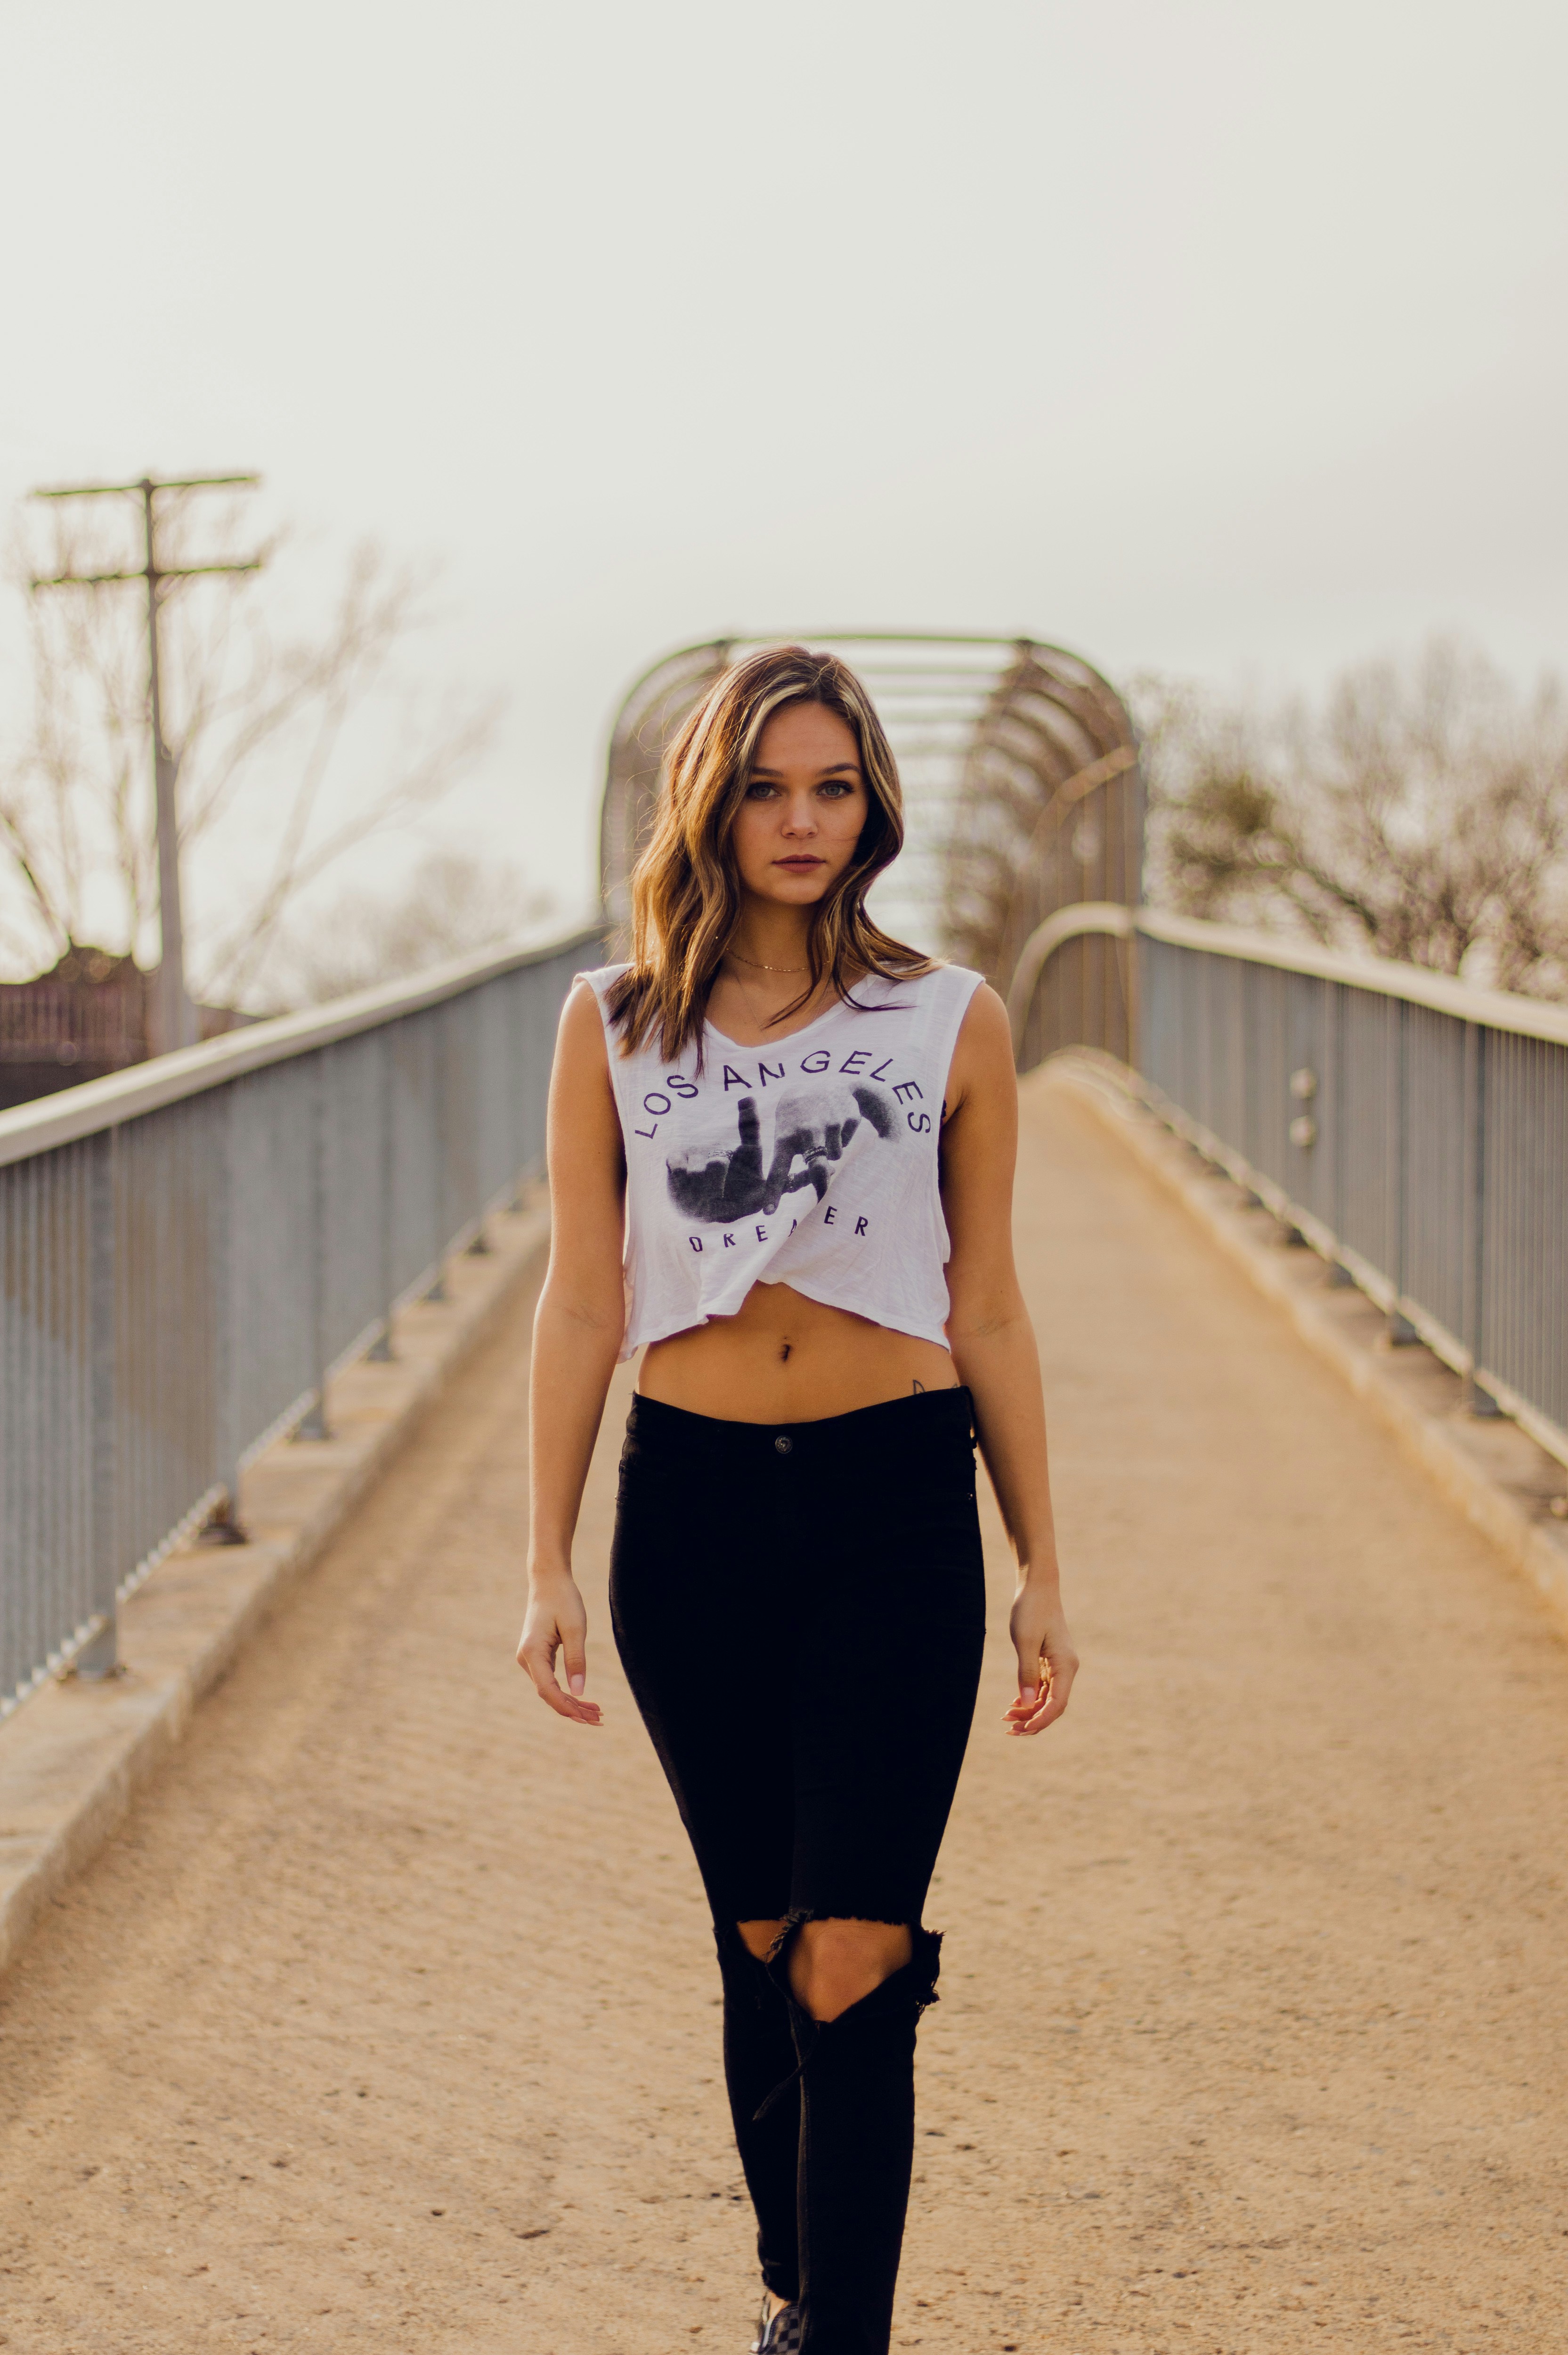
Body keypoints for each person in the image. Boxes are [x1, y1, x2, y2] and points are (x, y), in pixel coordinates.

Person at [517, 644, 1078, 2355]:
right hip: (687, 1518)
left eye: (834, 787)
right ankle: (798, 2288)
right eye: (767, 786)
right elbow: (581, 1296)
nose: (802, 820)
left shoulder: (953, 1016)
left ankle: (840, 2339)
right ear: (710, 803)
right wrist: (541, 1555)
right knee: (764, 1931)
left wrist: (1044, 1560)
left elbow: (987, 1300)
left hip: (895, 1508)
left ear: (875, 805)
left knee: (858, 1953)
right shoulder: (616, 1023)